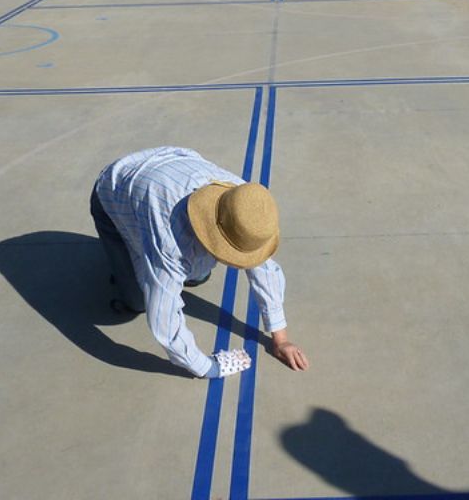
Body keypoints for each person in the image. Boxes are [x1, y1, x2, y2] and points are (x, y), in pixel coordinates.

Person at [90, 146, 309, 379]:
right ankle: (125, 261)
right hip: (114, 189)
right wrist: (207, 367)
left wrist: (281, 339)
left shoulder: (243, 202)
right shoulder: (171, 241)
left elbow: (265, 269)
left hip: (168, 166)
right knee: (138, 302)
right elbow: (163, 320)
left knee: (198, 273)